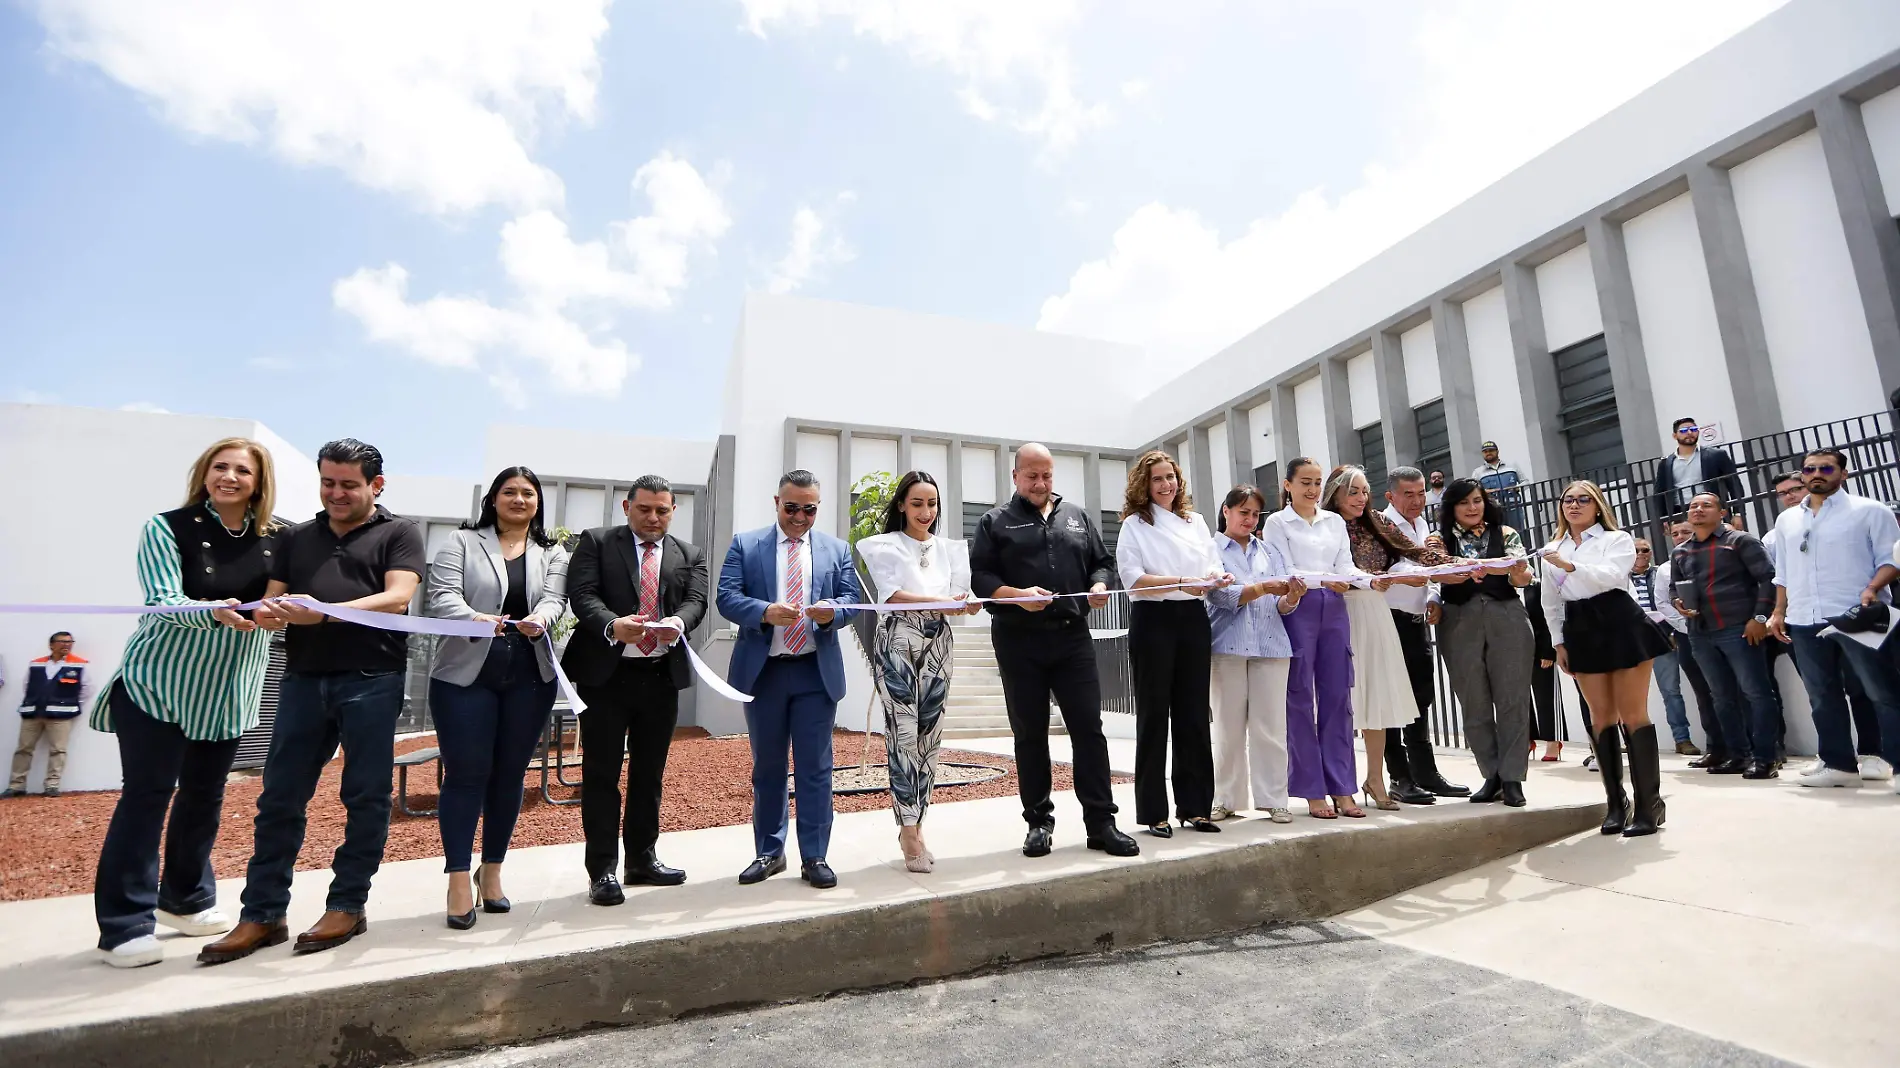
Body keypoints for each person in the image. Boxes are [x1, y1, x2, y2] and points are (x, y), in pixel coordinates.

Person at [199, 438, 426, 964]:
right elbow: (272, 598)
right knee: (278, 798)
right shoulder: (297, 537)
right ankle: (261, 914)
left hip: (373, 677)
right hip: (302, 679)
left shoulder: (400, 532)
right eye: (328, 482)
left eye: (349, 484)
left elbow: (398, 597)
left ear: (377, 484)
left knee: (365, 795)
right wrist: (266, 612)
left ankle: (348, 904)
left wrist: (322, 611)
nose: (336, 493)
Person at [88, 438, 281, 967]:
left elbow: (284, 599)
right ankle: (124, 926)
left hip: (227, 690)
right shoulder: (165, 527)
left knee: (204, 797)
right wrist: (214, 611)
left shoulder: (277, 538)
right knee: (147, 798)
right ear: (204, 473)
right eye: (220, 467)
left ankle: (186, 900)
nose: (230, 476)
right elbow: (162, 600)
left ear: (259, 482)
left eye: (243, 470)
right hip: (160, 686)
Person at [970, 443, 1138, 858]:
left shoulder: (1077, 518)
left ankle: (1101, 824)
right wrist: (1016, 595)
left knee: (1089, 730)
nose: (1040, 483)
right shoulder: (995, 521)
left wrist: (1099, 585)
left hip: (1072, 637)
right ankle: (1038, 823)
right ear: (1015, 477)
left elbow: (1102, 562)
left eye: (1046, 476)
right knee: (1031, 735)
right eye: (1032, 476)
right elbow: (980, 577)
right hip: (1018, 640)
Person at [424, 467, 570, 924]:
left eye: (529, 493)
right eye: (510, 492)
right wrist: (473, 617)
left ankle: (492, 873)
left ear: (538, 503)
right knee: (466, 775)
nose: (520, 499)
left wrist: (541, 619)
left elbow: (554, 599)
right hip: (466, 674)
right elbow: (440, 595)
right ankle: (456, 878)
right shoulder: (461, 543)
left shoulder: (554, 552)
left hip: (529, 675)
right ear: (493, 499)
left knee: (509, 777)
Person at [562, 474, 707, 904]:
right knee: (602, 775)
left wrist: (677, 623)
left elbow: (696, 601)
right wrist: (612, 625)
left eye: (662, 510)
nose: (653, 518)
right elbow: (582, 595)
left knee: (649, 775)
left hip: (660, 678)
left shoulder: (690, 553)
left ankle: (642, 859)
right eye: (644, 509)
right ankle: (602, 871)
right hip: (605, 679)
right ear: (627, 507)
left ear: (673, 511)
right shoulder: (597, 541)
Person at [717, 470, 862, 889]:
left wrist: (833, 611)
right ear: (776, 502)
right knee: (768, 767)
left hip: (815, 674)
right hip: (764, 675)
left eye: (809, 508)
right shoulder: (747, 545)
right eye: (792, 507)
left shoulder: (836, 549)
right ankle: (769, 852)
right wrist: (763, 611)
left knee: (816, 769)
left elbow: (854, 601)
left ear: (818, 506)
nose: (800, 516)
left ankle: (815, 856)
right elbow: (726, 597)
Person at [856, 471, 980, 873]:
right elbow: (891, 596)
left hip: (939, 641)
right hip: (898, 639)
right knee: (904, 734)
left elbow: (962, 596)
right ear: (901, 506)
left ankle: (918, 821)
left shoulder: (951, 549)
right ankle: (908, 830)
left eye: (932, 504)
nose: (925, 512)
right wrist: (944, 601)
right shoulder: (884, 545)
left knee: (930, 738)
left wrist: (969, 603)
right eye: (916, 503)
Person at [1542, 480, 1674, 836]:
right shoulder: (1552, 547)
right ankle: (1616, 804)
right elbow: (1549, 601)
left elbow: (1613, 577)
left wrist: (1569, 567)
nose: (1575, 505)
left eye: (1584, 499)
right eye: (1568, 500)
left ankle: (1650, 805)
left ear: (1598, 505)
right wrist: (1558, 643)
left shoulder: (1616, 539)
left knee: (1633, 715)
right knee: (1600, 717)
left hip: (1620, 622)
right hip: (1580, 628)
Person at [1114, 450, 1233, 837]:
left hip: (1193, 619)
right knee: (1153, 717)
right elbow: (1132, 579)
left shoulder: (1195, 521)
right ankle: (1154, 812)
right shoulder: (1135, 524)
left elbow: (1210, 563)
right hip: (1154, 620)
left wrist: (1218, 577)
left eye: (1171, 477)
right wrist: (1179, 582)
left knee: (1194, 716)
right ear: (1143, 485)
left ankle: (1196, 807)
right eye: (1158, 479)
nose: (1167, 484)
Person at [1766, 449, 1900, 792]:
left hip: (1858, 616)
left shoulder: (1871, 511)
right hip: (1804, 617)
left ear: (1843, 473)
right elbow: (1782, 572)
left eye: (1826, 468)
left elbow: (1892, 560)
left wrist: (1872, 588)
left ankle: (1893, 763)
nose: (1817, 474)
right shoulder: (1787, 521)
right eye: (1809, 469)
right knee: (1822, 696)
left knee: (1882, 693)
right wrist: (1779, 611)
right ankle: (1838, 763)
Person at [1322, 464, 1451, 810]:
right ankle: (1339, 783)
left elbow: (1412, 553)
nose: (1361, 498)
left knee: (1378, 700)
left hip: (1376, 612)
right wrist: (1389, 577)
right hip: (1340, 612)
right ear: (1335, 492)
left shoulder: (1378, 520)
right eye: (1353, 491)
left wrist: (1453, 565)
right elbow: (1327, 570)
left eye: (1364, 490)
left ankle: (1376, 780)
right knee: (1342, 703)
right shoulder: (1324, 525)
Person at [1259, 457, 1367, 819]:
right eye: (1305, 481)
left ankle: (1343, 787)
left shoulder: (1334, 521)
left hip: (1334, 607)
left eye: (1317, 481)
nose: (1312, 488)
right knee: (1299, 698)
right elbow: (1285, 570)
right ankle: (1311, 789)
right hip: (1299, 608)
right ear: (1288, 485)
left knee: (1339, 696)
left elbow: (1346, 566)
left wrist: (1370, 580)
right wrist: (1325, 580)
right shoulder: (1276, 523)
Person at [1434, 478, 1536, 806]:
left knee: (1513, 700)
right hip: (1459, 618)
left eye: (1477, 500)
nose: (1472, 507)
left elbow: (1521, 577)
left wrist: (1520, 571)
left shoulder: (1505, 534)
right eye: (1464, 502)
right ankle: (1490, 775)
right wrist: (1460, 568)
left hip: (1506, 615)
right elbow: (1434, 571)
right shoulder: (1438, 539)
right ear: (1451, 507)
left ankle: (1513, 778)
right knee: (1474, 702)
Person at [1205, 485, 1302, 824]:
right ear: (1226, 511)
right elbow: (1219, 597)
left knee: (1271, 728)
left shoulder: (1271, 552)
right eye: (1243, 512)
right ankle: (1225, 798)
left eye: (1254, 514)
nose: (1249, 519)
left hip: (1271, 646)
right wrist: (1262, 588)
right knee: (1228, 729)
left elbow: (1282, 605)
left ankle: (1275, 799)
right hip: (1226, 647)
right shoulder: (1210, 549)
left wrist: (1292, 597)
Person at [1671, 492, 1780, 779]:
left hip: (1739, 628)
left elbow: (1768, 578)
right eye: (1693, 506)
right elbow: (1674, 587)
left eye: (1706, 505)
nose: (1698, 509)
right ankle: (1738, 755)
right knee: (1720, 697)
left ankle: (1767, 758)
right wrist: (1677, 603)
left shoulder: (1740, 541)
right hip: (1699, 633)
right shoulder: (1680, 551)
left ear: (1722, 512)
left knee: (1756, 693)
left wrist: (1760, 618)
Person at [1379, 466, 1469, 798]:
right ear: (1391, 496)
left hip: (1417, 620)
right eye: (1408, 494)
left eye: (1421, 494)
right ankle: (1399, 777)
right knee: (1390, 701)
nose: (1417, 501)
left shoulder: (1423, 525)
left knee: (1421, 699)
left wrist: (1434, 595)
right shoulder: (1381, 525)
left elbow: (1431, 572)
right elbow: (1386, 568)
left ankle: (1425, 773)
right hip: (1389, 619)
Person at [1634, 534, 1713, 760]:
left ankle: (1682, 739)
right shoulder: (1620, 578)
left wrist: (1672, 632)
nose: (1640, 555)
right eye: (1636, 551)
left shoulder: (1661, 573)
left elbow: (1666, 605)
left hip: (1661, 637)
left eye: (1645, 550)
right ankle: (1632, 739)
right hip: (1631, 640)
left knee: (1671, 691)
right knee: (1629, 694)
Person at [6, 631, 90, 798]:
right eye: (62, 641)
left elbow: (87, 689)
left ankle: (52, 785)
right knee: (23, 749)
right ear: (51, 644)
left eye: (69, 642)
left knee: (58, 750)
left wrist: (71, 705)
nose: (66, 645)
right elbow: (27, 685)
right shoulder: (36, 664)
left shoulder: (79, 665)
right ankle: (16, 786)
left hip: (61, 716)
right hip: (33, 713)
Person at [1649, 417, 1743, 524]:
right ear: (1674, 436)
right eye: (1683, 431)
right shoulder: (1666, 463)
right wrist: (1663, 519)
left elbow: (1734, 484)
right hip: (1680, 512)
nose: (1689, 433)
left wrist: (1738, 513)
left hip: (1710, 507)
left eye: (1693, 429)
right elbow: (1659, 493)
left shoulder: (1716, 455)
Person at [1471, 441, 1529, 529]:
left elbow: (1526, 482)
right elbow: (1473, 491)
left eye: (1491, 450)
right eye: (1485, 451)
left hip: (1514, 508)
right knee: (1497, 536)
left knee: (1519, 533)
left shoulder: (1512, 466)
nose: (1488, 453)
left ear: (1497, 451)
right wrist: (1484, 492)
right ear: (1482, 454)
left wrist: (1517, 488)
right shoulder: (1477, 472)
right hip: (1492, 511)